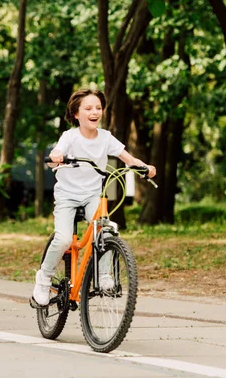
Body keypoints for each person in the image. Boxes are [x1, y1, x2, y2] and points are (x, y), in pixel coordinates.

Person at [32, 88, 156, 306]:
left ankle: (105, 275)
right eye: (88, 108)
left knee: (104, 230)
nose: (94, 112)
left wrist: (144, 167)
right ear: (76, 114)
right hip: (67, 196)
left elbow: (127, 157)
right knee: (62, 239)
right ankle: (43, 278)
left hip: (91, 195)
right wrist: (56, 156)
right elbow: (54, 156)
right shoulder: (69, 137)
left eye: (98, 108)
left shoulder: (106, 138)